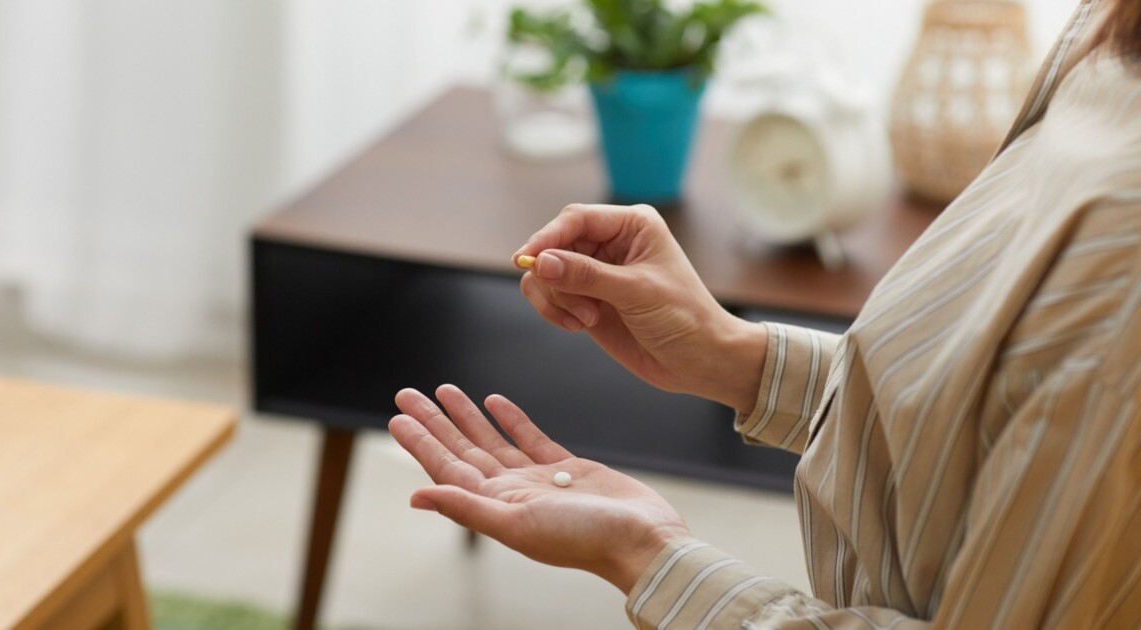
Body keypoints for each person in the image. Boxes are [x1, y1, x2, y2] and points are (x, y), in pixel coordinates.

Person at [388, 0, 1141, 627]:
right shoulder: (1106, 44)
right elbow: (991, 411)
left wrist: (646, 556)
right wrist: (733, 356)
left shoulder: (1123, 259)